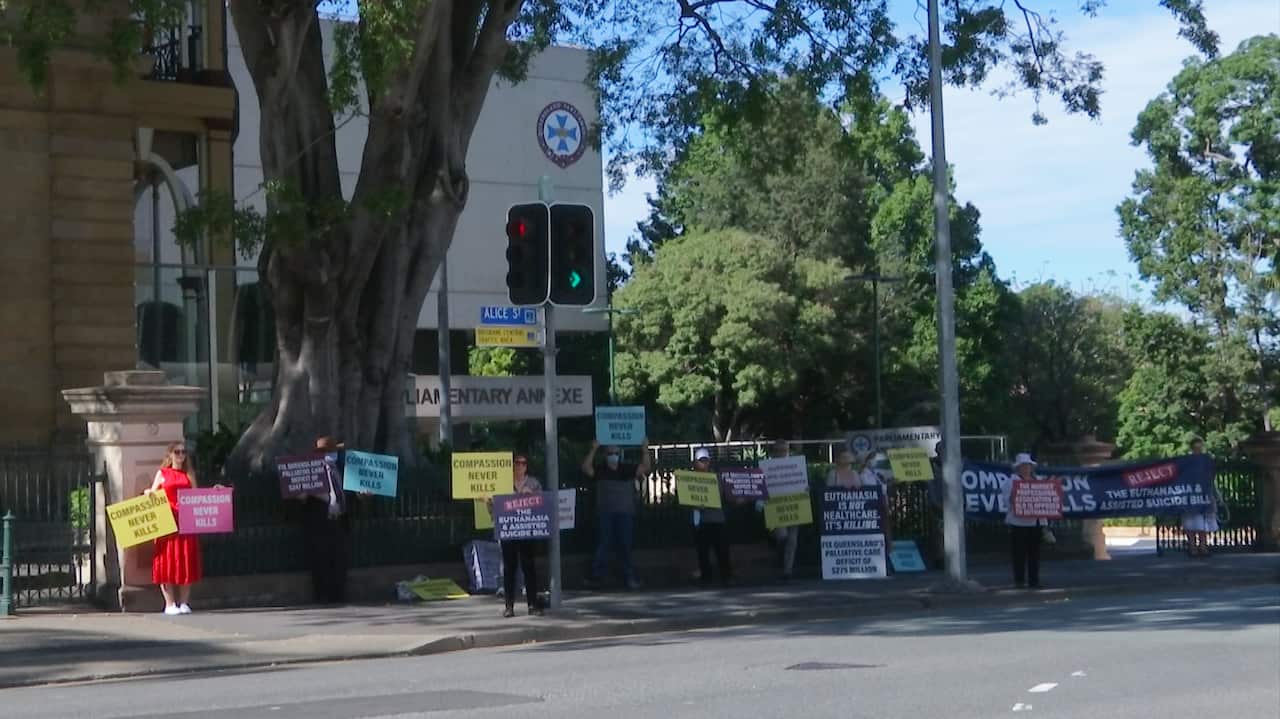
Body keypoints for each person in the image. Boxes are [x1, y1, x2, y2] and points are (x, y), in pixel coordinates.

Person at [581, 438, 650, 589]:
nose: (614, 455)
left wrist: (645, 449)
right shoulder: (600, 470)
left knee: (625, 545)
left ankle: (628, 577)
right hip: (605, 513)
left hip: (624, 513)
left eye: (616, 453)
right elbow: (586, 468)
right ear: (605, 455)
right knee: (603, 544)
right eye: (610, 453)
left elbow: (645, 468)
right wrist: (593, 449)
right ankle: (598, 577)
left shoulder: (626, 468)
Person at [145, 442, 204, 615]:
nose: (180, 455)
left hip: (185, 522)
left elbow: (196, 496)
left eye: (184, 452)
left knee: (186, 560)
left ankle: (184, 602)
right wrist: (149, 493)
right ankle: (169, 603)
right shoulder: (162, 473)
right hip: (166, 521)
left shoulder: (189, 474)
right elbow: (153, 493)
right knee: (166, 561)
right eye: (177, 452)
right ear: (170, 454)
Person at [301, 436, 359, 604]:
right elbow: (302, 498)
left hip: (340, 520)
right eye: (323, 452)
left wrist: (362, 496)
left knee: (340, 559)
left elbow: (350, 493)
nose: (328, 455)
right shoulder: (311, 472)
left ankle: (339, 596)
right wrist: (305, 496)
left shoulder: (342, 470)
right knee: (320, 560)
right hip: (320, 521)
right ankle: (322, 597)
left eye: (330, 452)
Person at [494, 454, 546, 617]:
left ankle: (532, 605)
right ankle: (509, 606)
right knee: (509, 569)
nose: (520, 466)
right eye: (517, 463)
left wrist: (533, 496)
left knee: (529, 567)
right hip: (509, 531)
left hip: (527, 531)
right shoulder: (503, 483)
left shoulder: (534, 483)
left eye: (523, 463)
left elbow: (543, 504)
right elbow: (496, 505)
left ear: (526, 466)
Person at [690, 448, 733, 587]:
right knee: (703, 552)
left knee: (722, 550)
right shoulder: (690, 480)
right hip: (701, 521)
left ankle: (726, 577)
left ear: (709, 462)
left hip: (717, 519)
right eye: (700, 461)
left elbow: (724, 494)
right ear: (695, 463)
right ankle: (706, 578)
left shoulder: (717, 478)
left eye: (705, 460)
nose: (703, 463)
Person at [1002, 453, 1043, 589]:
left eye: (1028, 466)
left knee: (1034, 553)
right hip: (1018, 522)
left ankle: (1034, 580)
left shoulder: (1038, 480)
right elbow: (1007, 501)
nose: (1026, 468)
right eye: (1023, 466)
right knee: (1019, 553)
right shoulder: (1011, 482)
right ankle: (1019, 580)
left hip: (1036, 522)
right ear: (1018, 468)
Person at [761, 440, 801, 582]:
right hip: (776, 508)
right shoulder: (768, 467)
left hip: (795, 507)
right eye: (779, 450)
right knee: (781, 536)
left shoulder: (796, 466)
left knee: (792, 540)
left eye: (785, 450)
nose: (782, 453)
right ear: (775, 451)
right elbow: (762, 487)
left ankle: (787, 571)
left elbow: (802, 482)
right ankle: (778, 557)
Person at [1181, 437, 1219, 558]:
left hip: (1204, 494)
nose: (1198, 450)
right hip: (1190, 495)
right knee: (1190, 522)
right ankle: (1192, 547)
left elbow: (1212, 474)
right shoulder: (1186, 461)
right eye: (1196, 447)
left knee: (1203, 522)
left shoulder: (1206, 460)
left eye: (1200, 447)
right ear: (1192, 448)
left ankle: (1203, 546)